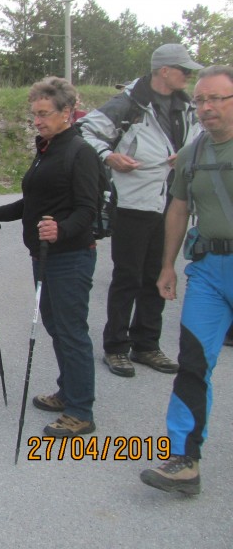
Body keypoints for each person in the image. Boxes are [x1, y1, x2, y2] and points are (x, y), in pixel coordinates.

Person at [0, 77, 100, 437]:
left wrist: (62, 229)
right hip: (42, 255)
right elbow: (33, 204)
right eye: (34, 115)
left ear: (66, 113)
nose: (38, 121)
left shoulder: (81, 153)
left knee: (72, 330)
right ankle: (68, 391)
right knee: (57, 327)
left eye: (44, 114)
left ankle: (81, 411)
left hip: (71, 256)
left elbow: (88, 209)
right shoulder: (46, 150)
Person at [79, 43, 201, 378]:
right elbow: (85, 131)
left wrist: (189, 153)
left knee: (158, 274)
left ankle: (146, 344)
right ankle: (116, 347)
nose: (189, 76)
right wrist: (110, 156)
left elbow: (205, 138)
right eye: (184, 69)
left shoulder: (189, 106)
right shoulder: (128, 102)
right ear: (164, 70)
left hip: (173, 201)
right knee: (127, 276)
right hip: (134, 200)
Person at [139, 65, 233, 495]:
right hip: (210, 272)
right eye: (200, 100)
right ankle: (184, 459)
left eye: (217, 98)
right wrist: (166, 266)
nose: (207, 107)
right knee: (193, 364)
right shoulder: (193, 154)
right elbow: (177, 209)